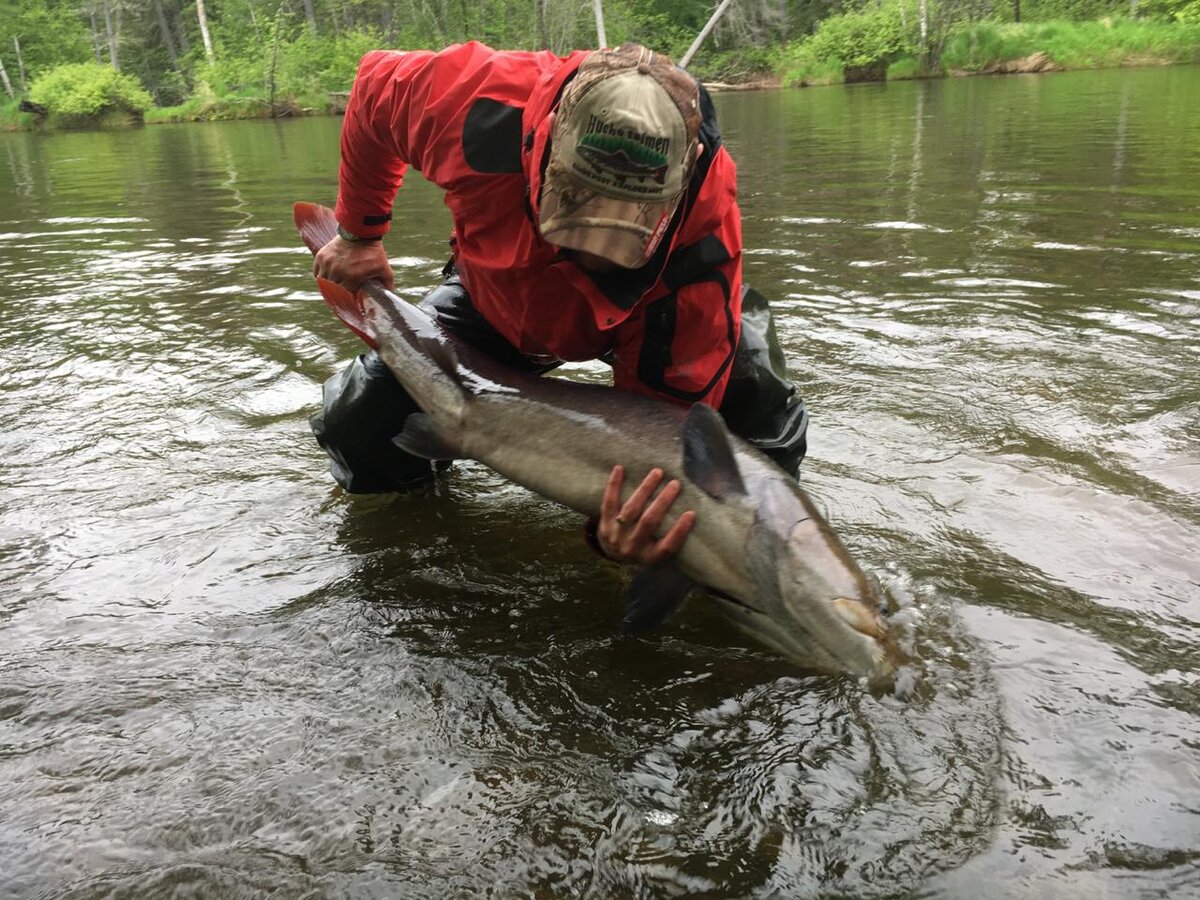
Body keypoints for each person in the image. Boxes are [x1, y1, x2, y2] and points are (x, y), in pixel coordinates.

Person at [312, 41, 808, 566]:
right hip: (498, 292)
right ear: (544, 147)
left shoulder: (704, 240)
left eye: (622, 232)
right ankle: (413, 520)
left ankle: (767, 573)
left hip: (650, 316)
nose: (593, 255)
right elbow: (372, 90)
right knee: (361, 421)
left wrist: (618, 530)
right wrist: (360, 233)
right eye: (578, 214)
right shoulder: (473, 101)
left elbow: (661, 437)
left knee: (753, 439)